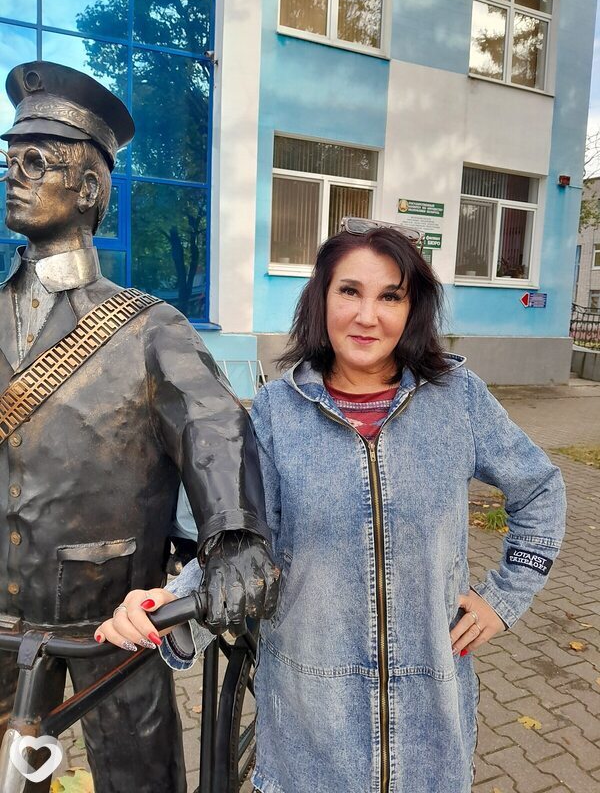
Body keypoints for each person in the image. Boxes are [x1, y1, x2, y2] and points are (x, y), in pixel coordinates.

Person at [98, 218, 566, 793]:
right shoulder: (276, 412)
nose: (367, 316)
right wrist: (169, 600)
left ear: (413, 309)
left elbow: (541, 491)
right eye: (350, 291)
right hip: (310, 729)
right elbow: (248, 540)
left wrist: (503, 600)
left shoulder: (458, 399)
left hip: (431, 730)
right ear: (321, 299)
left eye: (390, 296)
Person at [0, 60, 278, 793]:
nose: (13, 174)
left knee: (140, 780)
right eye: (10, 157)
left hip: (112, 623)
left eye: (36, 160)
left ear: (90, 188)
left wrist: (235, 538)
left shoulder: (151, 328)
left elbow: (214, 428)